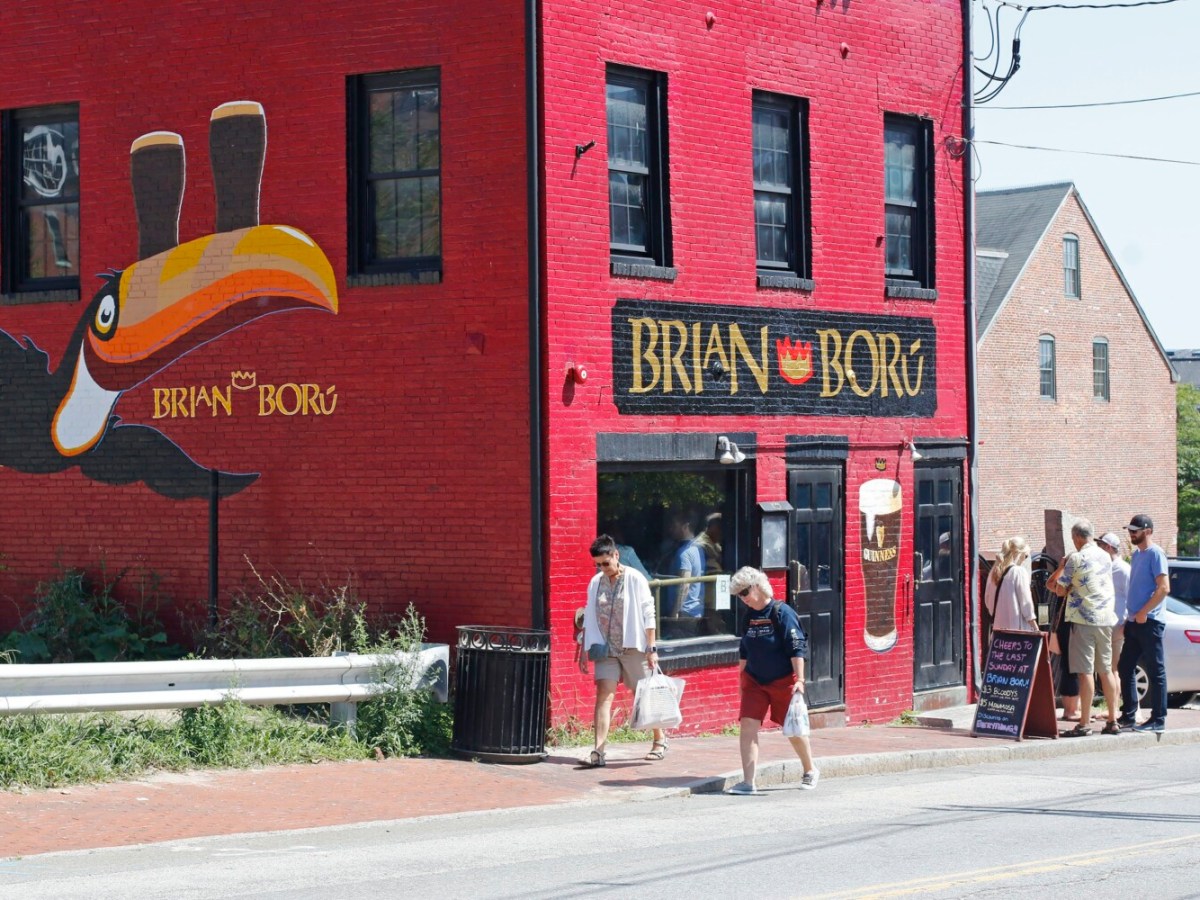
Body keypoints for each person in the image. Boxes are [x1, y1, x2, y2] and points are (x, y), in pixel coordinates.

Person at [725, 566, 819, 795]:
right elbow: (744, 650)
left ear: (757, 586)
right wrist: (742, 681)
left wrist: (800, 679)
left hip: (782, 680)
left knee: (793, 728)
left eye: (744, 592)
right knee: (748, 725)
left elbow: (797, 647)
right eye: (738, 595)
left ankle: (810, 769)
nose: (743, 598)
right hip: (754, 680)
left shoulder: (782, 613)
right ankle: (748, 782)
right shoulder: (749, 616)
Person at [579, 534, 667, 767]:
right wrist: (584, 647)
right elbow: (589, 614)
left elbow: (649, 613)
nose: (602, 568)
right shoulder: (595, 582)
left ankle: (659, 739)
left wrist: (651, 648)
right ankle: (598, 752)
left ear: (616, 555)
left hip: (632, 647)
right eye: (598, 564)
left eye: (606, 563)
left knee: (643, 694)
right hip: (605, 648)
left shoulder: (635, 578)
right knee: (604, 695)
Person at [1048, 518, 1121, 737]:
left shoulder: (1076, 558)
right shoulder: (1105, 555)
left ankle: (1084, 723)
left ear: (1077, 537)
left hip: (1084, 620)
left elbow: (1059, 590)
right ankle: (1113, 720)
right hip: (1106, 618)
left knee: (1085, 671)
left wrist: (1063, 571)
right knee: (1106, 670)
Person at [1117, 514, 1170, 733]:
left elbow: (1164, 588)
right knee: (1125, 666)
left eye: (1135, 530)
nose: (1131, 534)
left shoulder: (1156, 553)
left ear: (1147, 531)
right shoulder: (1137, 555)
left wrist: (1144, 612)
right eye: (1130, 530)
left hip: (1150, 621)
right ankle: (1129, 715)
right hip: (1135, 621)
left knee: (1156, 670)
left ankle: (1158, 719)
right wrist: (1130, 617)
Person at [1097, 531, 1131, 696]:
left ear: (1108, 547)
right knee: (1106, 668)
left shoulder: (1123, 569)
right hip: (1104, 622)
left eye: (1100, 545)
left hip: (1117, 624)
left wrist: (1126, 623)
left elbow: (1131, 597)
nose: (1098, 548)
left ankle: (1115, 705)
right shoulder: (1105, 567)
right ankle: (1112, 704)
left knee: (1113, 668)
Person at [983, 536, 1038, 634]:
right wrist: (1035, 627)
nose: (1024, 560)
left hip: (998, 631)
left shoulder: (993, 572)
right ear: (1020, 554)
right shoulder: (1019, 572)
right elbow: (1026, 603)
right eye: (1025, 556)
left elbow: (987, 601)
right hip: (1017, 631)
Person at [663, 511, 704, 618]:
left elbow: (684, 585)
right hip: (694, 611)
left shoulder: (684, 553)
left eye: (674, 525)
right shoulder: (698, 549)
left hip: (684, 613)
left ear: (685, 527)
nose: (671, 529)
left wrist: (674, 612)